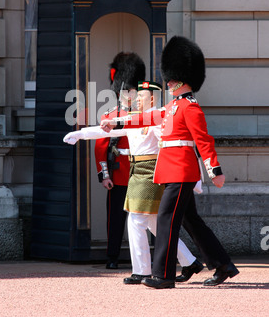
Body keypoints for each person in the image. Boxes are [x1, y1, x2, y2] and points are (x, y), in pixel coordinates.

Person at [100, 36, 239, 288]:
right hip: (170, 170)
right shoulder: (174, 106)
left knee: (165, 218)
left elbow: (204, 140)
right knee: (191, 221)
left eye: (173, 79)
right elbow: (146, 117)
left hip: (181, 171)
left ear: (184, 79)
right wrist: (116, 122)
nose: (169, 82)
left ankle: (162, 275)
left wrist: (214, 170)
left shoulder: (190, 107)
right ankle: (223, 265)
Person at [64, 79, 203, 284]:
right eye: (137, 95)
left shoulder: (161, 118)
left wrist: (195, 177)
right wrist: (80, 134)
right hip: (136, 171)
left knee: (136, 220)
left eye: (141, 96)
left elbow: (180, 145)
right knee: (155, 223)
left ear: (153, 98)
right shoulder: (134, 118)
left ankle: (142, 270)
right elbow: (108, 131)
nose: (136, 99)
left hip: (151, 172)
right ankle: (190, 261)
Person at [94, 52, 146, 269]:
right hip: (118, 172)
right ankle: (112, 256)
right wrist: (105, 176)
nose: (129, 95)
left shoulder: (144, 114)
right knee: (115, 220)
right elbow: (101, 148)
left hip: (141, 171)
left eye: (131, 91)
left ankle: (141, 260)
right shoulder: (109, 114)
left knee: (141, 219)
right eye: (126, 92)